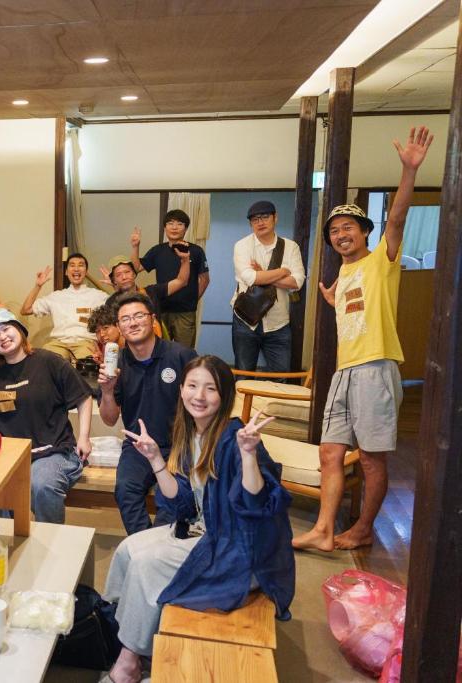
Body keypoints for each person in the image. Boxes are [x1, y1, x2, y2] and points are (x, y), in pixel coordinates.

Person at [102, 355, 294, 682]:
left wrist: (249, 454)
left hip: (238, 551)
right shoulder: (191, 432)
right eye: (192, 386)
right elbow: (182, 503)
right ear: (181, 390)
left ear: (225, 395)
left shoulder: (235, 436)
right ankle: (129, 639)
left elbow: (256, 501)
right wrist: (155, 459)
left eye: (210, 388)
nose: (199, 396)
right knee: (128, 550)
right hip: (203, 531)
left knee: (147, 566)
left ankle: (128, 662)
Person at [293, 126, 432, 553]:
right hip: (344, 372)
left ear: (365, 231)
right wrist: (333, 301)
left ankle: (364, 528)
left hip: (376, 367)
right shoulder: (344, 273)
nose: (341, 235)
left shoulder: (381, 261)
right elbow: (354, 313)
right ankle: (323, 528)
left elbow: (398, 218)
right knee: (329, 453)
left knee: (371, 458)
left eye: (348, 227)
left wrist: (408, 171)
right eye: (334, 231)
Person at [0, 309, 94, 523]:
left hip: (54, 451)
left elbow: (83, 397)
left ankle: (51, 536)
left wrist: (84, 437)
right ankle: (12, 538)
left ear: (20, 331)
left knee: (41, 484)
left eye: (6, 329)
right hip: (9, 454)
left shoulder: (49, 361)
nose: (2, 337)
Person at [98, 293, 197, 535]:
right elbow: (109, 419)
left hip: (179, 445)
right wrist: (107, 391)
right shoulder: (117, 364)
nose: (132, 323)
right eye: (125, 319)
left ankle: (158, 547)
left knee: (171, 497)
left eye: (139, 316)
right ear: (119, 327)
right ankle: (144, 544)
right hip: (138, 446)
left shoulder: (181, 356)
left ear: (152, 319)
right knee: (125, 489)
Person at [230, 201, 306, 373]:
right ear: (250, 224)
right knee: (243, 374)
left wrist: (263, 274)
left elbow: (296, 282)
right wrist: (283, 271)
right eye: (255, 219)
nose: (260, 222)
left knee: (280, 376)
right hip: (245, 319)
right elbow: (251, 277)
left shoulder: (290, 247)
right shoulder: (242, 245)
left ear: (275, 218)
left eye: (265, 217)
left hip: (278, 322)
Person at [130, 210, 210, 348]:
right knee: (158, 349)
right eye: (170, 223)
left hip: (185, 312)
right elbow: (136, 268)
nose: (174, 227)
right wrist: (135, 247)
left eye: (180, 224)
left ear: (186, 228)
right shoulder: (157, 250)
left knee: (184, 352)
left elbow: (204, 279)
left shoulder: (195, 251)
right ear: (165, 227)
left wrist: (193, 299)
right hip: (161, 310)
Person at [21, 253, 108, 362]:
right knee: (43, 361)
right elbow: (25, 310)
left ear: (86, 272)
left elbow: (120, 307)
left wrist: (115, 285)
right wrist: (38, 286)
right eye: (72, 265)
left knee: (87, 365)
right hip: (58, 343)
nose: (76, 268)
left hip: (85, 342)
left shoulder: (98, 295)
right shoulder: (56, 296)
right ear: (66, 272)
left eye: (81, 265)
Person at [98, 249, 192, 340]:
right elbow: (111, 331)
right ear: (114, 280)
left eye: (127, 272)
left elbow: (181, 281)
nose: (124, 277)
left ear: (134, 274)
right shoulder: (111, 302)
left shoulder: (152, 292)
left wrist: (185, 260)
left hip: (155, 344)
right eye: (118, 275)